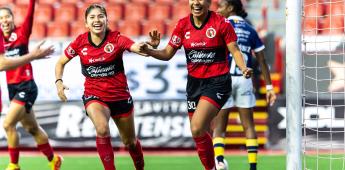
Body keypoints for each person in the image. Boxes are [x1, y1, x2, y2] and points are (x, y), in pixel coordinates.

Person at [139, 0, 252, 169]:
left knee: (196, 128)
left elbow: (234, 49)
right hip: (194, 84)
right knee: (202, 132)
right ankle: (216, 164)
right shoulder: (183, 25)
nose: (196, 3)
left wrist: (243, 68)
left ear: (208, 2)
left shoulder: (221, 23)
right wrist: (149, 50)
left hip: (217, 82)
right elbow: (167, 53)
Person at [55, 4, 160, 170]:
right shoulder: (80, 42)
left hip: (120, 97)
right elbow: (60, 62)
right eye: (92, 17)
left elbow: (137, 48)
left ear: (106, 20)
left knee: (130, 142)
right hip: (94, 95)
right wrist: (58, 82)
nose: (97, 20)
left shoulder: (117, 38)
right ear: (86, 23)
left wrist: (149, 47)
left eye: (100, 16)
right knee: (102, 129)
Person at [212, 0, 277, 170]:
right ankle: (253, 167)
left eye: (221, 6)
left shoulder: (221, 26)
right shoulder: (250, 30)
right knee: (248, 125)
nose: (218, 10)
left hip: (224, 78)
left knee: (219, 126)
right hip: (245, 79)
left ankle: (219, 160)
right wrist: (269, 87)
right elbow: (262, 60)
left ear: (231, 8)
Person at [0, 1, 63, 170]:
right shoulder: (0, 40)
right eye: (1, 18)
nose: (4, 21)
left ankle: (14, 165)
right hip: (12, 88)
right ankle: (54, 159)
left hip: (26, 86)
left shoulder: (21, 32)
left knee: (8, 124)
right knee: (32, 128)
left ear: (13, 19)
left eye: (7, 17)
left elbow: (30, 14)